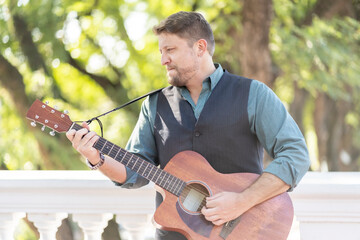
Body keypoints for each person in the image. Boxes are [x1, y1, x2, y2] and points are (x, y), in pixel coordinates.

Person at [66, 11, 310, 240]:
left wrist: (241, 201)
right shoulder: (154, 105)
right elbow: (134, 173)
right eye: (161, 51)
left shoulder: (253, 94)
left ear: (200, 47)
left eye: (170, 50)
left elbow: (295, 154)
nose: (163, 60)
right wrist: (96, 157)